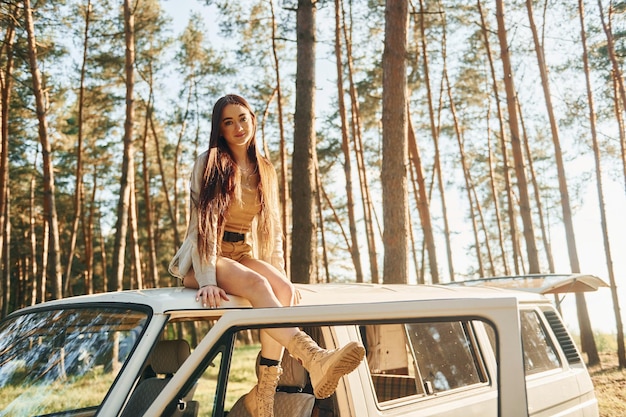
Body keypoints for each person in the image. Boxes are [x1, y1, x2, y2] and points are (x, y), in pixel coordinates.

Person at [169, 94, 365, 417]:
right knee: (258, 284)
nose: (237, 127)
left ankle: (264, 394)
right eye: (228, 122)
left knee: (284, 291)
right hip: (204, 256)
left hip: (239, 253)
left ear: (253, 120)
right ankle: (314, 358)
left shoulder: (265, 170)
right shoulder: (208, 163)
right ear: (219, 130)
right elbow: (203, 227)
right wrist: (206, 280)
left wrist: (282, 274)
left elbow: (271, 231)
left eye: (243, 118)